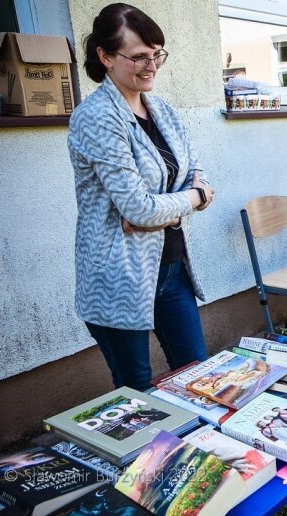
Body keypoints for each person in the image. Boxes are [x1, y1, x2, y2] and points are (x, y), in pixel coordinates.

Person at [68, 3, 215, 391]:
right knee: (136, 393)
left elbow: (195, 172)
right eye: (138, 57)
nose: (151, 66)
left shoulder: (161, 109)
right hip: (118, 275)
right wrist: (192, 200)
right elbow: (138, 207)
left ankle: (193, 452)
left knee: (197, 376)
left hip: (171, 269)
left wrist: (172, 207)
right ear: (105, 56)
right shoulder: (97, 117)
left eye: (156, 55)